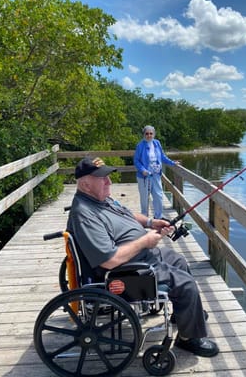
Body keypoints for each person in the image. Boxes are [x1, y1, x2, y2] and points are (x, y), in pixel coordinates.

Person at [66, 155, 219, 358]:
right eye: (102, 178)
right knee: (186, 283)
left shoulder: (100, 199)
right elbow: (109, 260)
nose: (109, 182)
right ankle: (188, 338)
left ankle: (185, 315)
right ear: (85, 184)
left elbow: (127, 214)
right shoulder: (84, 213)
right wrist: (145, 241)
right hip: (123, 271)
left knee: (179, 261)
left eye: (108, 177)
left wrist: (151, 222)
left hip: (140, 257)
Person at [134, 125, 179, 219]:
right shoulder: (140, 145)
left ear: (154, 134)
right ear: (144, 134)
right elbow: (136, 161)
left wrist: (172, 163)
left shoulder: (157, 143)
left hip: (156, 175)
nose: (149, 135)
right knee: (145, 198)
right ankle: (144, 218)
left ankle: (158, 217)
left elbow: (162, 156)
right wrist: (143, 170)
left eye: (151, 133)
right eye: (147, 133)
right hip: (144, 177)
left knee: (158, 196)